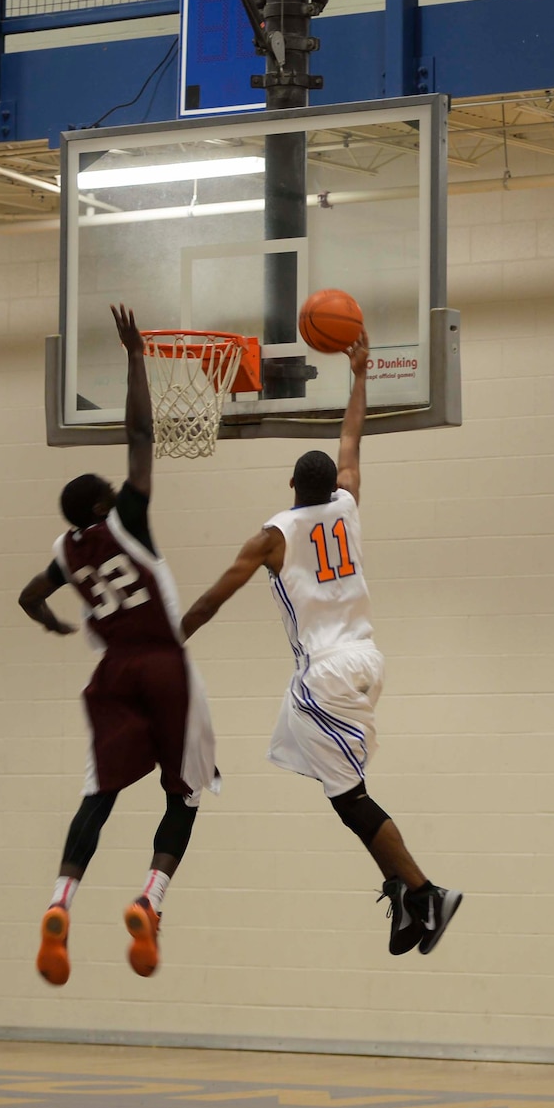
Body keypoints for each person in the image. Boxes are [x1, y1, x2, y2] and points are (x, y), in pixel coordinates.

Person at [181, 329, 461, 956]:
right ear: (331, 485)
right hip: (364, 660)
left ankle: (422, 892)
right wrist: (359, 374)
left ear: (289, 484)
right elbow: (351, 441)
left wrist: (169, 640)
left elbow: (210, 600)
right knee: (306, 756)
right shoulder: (348, 503)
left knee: (349, 795)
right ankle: (404, 893)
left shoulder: (273, 536)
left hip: (325, 675)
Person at [17, 304, 219, 985]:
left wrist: (53, 623)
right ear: (105, 502)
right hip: (164, 665)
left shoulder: (65, 553)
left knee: (97, 796)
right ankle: (149, 899)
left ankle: (59, 899)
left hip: (109, 676)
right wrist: (135, 356)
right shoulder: (127, 516)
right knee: (184, 795)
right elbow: (140, 430)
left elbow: (28, 596)